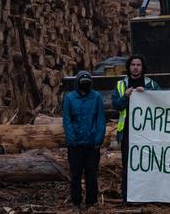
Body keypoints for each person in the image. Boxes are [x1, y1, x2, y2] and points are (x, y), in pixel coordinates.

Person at [112, 54, 160, 205]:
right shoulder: (121, 85)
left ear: (142, 67)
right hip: (127, 132)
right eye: (133, 64)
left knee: (149, 164)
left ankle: (148, 196)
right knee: (128, 166)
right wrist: (126, 97)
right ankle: (127, 197)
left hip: (148, 132)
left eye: (138, 65)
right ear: (129, 67)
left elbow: (161, 102)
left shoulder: (151, 85)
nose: (135, 67)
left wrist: (148, 94)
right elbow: (116, 105)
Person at [62, 70, 106, 210]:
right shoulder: (69, 98)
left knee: (91, 173)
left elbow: (100, 119)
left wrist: (98, 140)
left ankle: (91, 202)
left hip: (92, 144)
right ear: (77, 83)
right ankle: (76, 201)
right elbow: (67, 121)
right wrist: (71, 140)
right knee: (75, 174)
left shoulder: (96, 97)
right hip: (75, 145)